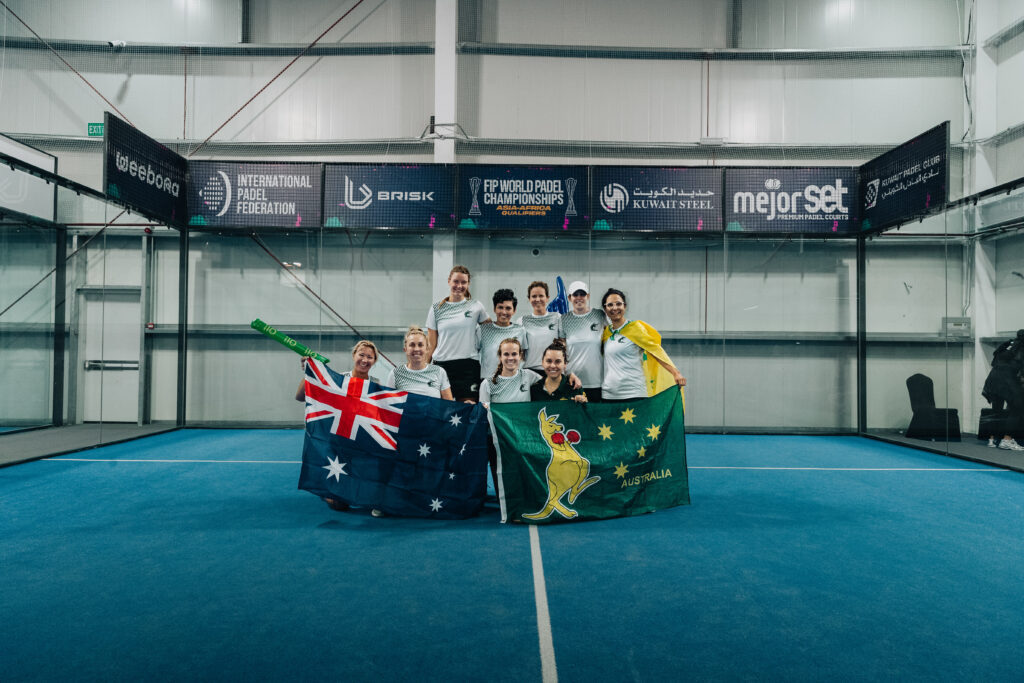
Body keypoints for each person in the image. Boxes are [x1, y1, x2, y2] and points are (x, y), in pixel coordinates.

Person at [294, 340, 381, 512]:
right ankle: (329, 489)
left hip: (363, 445)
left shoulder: (377, 384)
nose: (365, 360)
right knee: (339, 504)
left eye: (369, 357)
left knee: (366, 495)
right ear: (354, 355)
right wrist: (310, 373)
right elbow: (300, 397)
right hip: (338, 444)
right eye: (361, 355)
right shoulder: (337, 379)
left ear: (374, 361)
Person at [600, 288, 686, 402]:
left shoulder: (636, 328)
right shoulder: (605, 333)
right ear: (605, 309)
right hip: (609, 395)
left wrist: (676, 373)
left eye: (618, 304)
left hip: (634, 393)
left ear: (624, 306)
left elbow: (655, 350)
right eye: (610, 305)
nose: (615, 308)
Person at [426, 265, 490, 402]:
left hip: (468, 368)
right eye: (456, 281)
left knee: (468, 410)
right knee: (442, 411)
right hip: (442, 367)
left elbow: (491, 331)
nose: (459, 286)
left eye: (463, 282)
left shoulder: (476, 306)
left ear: (468, 284)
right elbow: (431, 345)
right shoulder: (436, 309)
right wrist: (422, 371)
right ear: (449, 281)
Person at [559, 280, 606, 403]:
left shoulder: (599, 315)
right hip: (573, 381)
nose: (579, 297)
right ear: (569, 298)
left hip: (597, 381)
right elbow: (561, 352)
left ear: (588, 296)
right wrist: (567, 374)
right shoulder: (563, 319)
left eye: (582, 294)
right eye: (575, 294)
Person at [385, 325, 454, 400]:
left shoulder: (439, 372)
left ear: (427, 349)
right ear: (405, 349)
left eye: (420, 345)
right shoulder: (395, 374)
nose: (416, 349)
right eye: (412, 345)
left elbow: (449, 404)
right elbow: (388, 404)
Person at [982, 329, 1024, 451]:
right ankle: (1007, 440)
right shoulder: (1022, 348)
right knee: (1017, 408)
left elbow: (994, 362)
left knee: (997, 410)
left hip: (992, 379)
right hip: (1007, 380)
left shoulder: (1008, 345)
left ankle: (992, 439)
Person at [476, 288, 528, 384]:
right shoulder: (483, 330)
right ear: (494, 309)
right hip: (488, 382)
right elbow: (474, 355)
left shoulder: (520, 330)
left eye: (508, 308)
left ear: (514, 310)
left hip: (512, 383)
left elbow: (524, 357)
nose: (504, 312)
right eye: (500, 307)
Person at [479, 338, 541, 407]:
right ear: (500, 356)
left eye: (514, 354)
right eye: (506, 354)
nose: (510, 358)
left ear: (520, 356)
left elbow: (547, 383)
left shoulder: (528, 375)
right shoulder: (488, 383)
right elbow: (483, 410)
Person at [518, 280, 563, 374]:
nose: (537, 299)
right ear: (529, 298)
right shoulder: (522, 321)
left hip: (553, 370)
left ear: (547, 298)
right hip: (530, 371)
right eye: (534, 296)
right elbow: (519, 352)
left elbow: (564, 345)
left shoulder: (557, 317)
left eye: (541, 296)